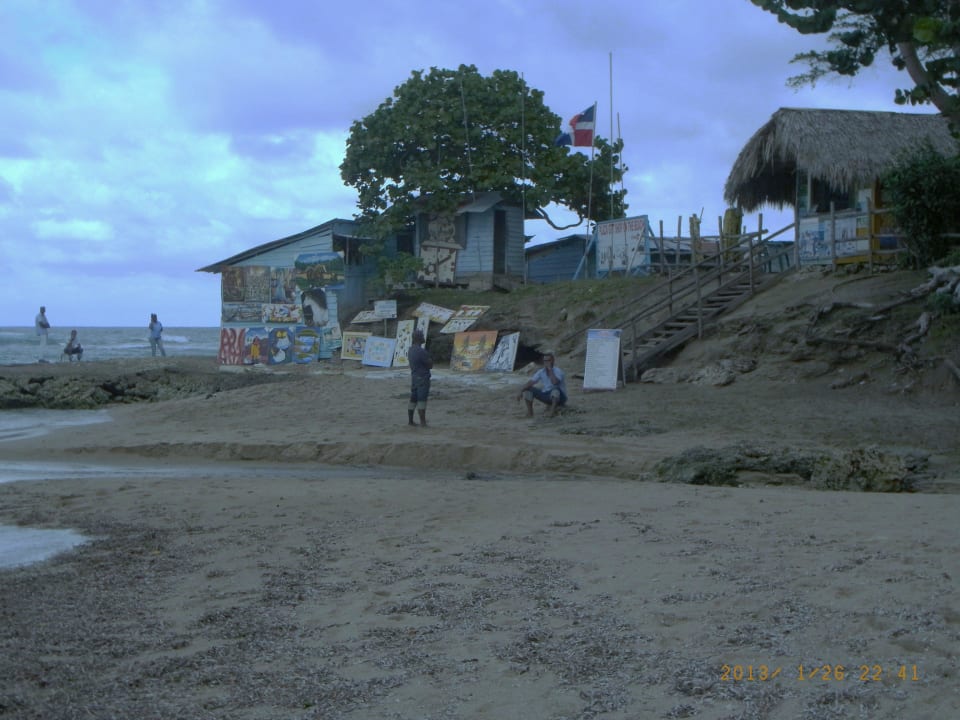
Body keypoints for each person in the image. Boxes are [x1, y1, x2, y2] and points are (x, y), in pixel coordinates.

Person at [518, 351, 568, 417]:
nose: (546, 362)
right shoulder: (541, 371)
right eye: (545, 361)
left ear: (552, 361)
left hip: (560, 397)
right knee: (528, 389)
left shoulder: (558, 371)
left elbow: (555, 382)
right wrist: (521, 391)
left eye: (548, 360)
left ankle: (552, 412)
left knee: (555, 389)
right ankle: (530, 413)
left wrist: (550, 370)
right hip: (547, 395)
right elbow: (531, 382)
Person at [407, 329, 432, 427]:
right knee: (422, 399)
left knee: (413, 399)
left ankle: (410, 421)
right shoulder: (421, 351)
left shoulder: (411, 350)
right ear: (418, 338)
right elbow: (430, 364)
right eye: (422, 335)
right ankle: (423, 422)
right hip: (423, 377)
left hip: (414, 377)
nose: (423, 337)